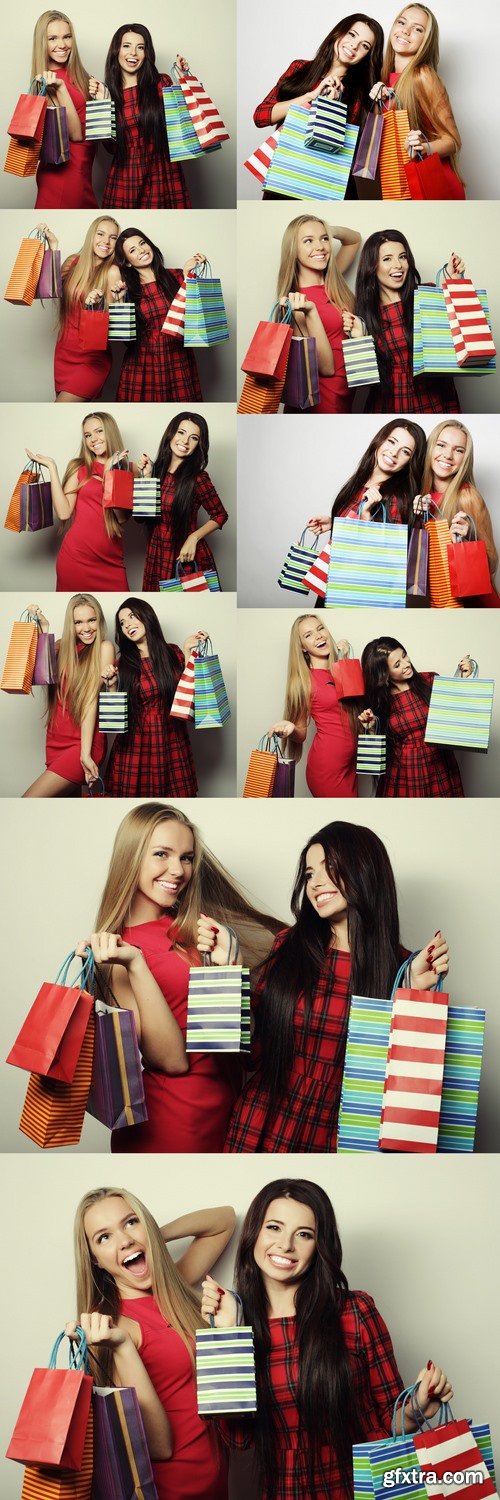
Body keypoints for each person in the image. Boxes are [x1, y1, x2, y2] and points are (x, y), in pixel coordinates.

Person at [201, 1178, 453, 1500]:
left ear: (320, 1245)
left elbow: (388, 1420)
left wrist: (414, 1407)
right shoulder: (235, 1320)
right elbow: (238, 1441)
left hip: (363, 1488)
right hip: (283, 1492)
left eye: (304, 1234)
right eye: (274, 1228)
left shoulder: (355, 1310)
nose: (286, 1245)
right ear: (254, 1234)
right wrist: (228, 1333)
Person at [225, 821, 449, 1152]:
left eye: (328, 868)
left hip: (349, 1133)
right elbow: (251, 1055)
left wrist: (416, 993)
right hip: (263, 1120)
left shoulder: (403, 968)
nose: (315, 883)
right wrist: (226, 970)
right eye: (309, 874)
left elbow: (406, 1081)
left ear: (364, 871)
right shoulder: (289, 945)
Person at [77, 802, 282, 1151]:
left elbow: (236, 1044)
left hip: (227, 1111)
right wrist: (137, 965)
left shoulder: (195, 928)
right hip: (173, 1122)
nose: (177, 870)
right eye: (162, 854)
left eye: (186, 858)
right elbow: (170, 1061)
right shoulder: (117, 950)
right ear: (132, 857)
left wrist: (229, 968)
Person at [68, 1187, 235, 1499]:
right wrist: (121, 1346)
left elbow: (224, 1219)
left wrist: (155, 1236)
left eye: (131, 1223)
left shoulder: (175, 1290)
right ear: (95, 1260)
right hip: (172, 1489)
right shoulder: (113, 1327)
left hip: (216, 1482)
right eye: (104, 1237)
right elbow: (158, 1446)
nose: (125, 1240)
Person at [253, 15, 384, 200]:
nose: (354, 46)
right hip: (285, 176)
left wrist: (334, 104)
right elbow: (261, 116)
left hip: (328, 186)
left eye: (365, 45)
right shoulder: (300, 67)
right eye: (352, 35)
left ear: (368, 55)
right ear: (338, 33)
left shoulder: (363, 91)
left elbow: (364, 153)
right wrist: (311, 96)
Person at [344, 229, 464, 413]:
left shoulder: (427, 295)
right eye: (387, 259)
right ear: (372, 266)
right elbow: (365, 382)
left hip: (435, 398)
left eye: (402, 257)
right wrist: (359, 338)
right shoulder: (365, 316)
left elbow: (454, 342)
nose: (398, 265)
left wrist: (453, 285)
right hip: (390, 402)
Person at [103, 598, 205, 796]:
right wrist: (113, 685)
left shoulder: (173, 652)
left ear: (146, 616)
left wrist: (188, 651)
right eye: (122, 623)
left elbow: (188, 695)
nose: (127, 625)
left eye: (132, 616)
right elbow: (115, 719)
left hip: (172, 742)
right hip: (135, 746)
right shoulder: (122, 663)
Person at [26, 412, 132, 592]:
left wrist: (109, 473)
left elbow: (121, 517)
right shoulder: (79, 467)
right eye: (88, 435)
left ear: (110, 432)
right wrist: (52, 467)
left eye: (99, 431)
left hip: (111, 561)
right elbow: (64, 512)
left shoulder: (129, 469)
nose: (93, 439)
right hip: (76, 559)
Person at [22, 594, 114, 797]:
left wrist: (84, 753)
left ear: (100, 620)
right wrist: (43, 629)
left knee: (28, 800)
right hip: (55, 738)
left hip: (82, 743)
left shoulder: (104, 648)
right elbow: (40, 674)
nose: (87, 628)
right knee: (64, 804)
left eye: (92, 620)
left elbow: (91, 700)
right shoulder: (63, 647)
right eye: (78, 622)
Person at [88, 28, 190, 209]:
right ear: (116, 51)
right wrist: (103, 104)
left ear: (146, 53)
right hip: (126, 176)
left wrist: (185, 80)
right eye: (126, 46)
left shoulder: (161, 82)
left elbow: (184, 124)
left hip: (163, 173)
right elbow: (111, 149)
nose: (133, 53)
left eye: (140, 47)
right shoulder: (107, 92)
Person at [359, 636, 474, 796]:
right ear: (384, 674)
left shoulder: (430, 680)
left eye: (404, 655)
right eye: (397, 664)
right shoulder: (380, 703)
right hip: (404, 773)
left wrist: (464, 680)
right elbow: (374, 760)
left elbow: (454, 714)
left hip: (441, 766)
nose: (406, 664)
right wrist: (371, 730)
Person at [308, 421, 426, 572]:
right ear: (380, 440)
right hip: (335, 579)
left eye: (406, 451)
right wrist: (336, 523)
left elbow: (387, 559)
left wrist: (366, 517)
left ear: (411, 462)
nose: (394, 452)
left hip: (354, 588)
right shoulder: (360, 481)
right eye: (391, 442)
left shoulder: (397, 499)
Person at [376, 6, 465, 198]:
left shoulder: (423, 76)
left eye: (418, 29)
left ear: (426, 41)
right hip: (398, 186)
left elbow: (453, 141)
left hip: (429, 184)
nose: (406, 31)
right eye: (402, 22)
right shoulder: (384, 80)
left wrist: (424, 148)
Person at [276, 217, 360, 414]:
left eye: (324, 239)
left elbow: (354, 239)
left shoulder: (333, 279)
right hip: (323, 398)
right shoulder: (295, 302)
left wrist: (329, 230)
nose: (320, 247)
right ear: (293, 251)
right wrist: (311, 312)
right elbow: (326, 368)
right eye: (308, 241)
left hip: (346, 390)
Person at [268, 616, 358, 797]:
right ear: (302, 647)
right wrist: (292, 729)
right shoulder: (304, 681)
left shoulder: (341, 669)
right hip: (327, 769)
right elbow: (301, 734)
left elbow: (354, 703)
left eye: (320, 629)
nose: (318, 636)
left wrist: (345, 660)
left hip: (351, 766)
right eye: (308, 635)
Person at [111, 229, 204, 402]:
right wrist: (121, 302)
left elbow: (195, 320)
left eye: (142, 243)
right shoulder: (126, 289)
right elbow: (126, 341)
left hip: (178, 358)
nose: (141, 251)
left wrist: (188, 276)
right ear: (128, 262)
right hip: (143, 363)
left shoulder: (176, 275)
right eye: (132, 251)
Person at [140, 412, 228, 591]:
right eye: (181, 433)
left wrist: (193, 537)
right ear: (171, 434)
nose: (185, 441)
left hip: (186, 554)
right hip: (156, 553)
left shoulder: (198, 478)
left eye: (193, 437)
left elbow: (220, 515)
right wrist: (147, 477)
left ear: (199, 445)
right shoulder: (155, 471)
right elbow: (143, 518)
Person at [35, 216, 120, 401]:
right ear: (92, 236)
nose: (106, 241)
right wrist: (53, 247)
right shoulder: (73, 262)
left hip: (92, 358)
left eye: (113, 237)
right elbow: (48, 291)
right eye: (101, 234)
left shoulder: (112, 271)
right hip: (64, 352)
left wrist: (96, 305)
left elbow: (115, 320)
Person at [415, 421, 499, 605]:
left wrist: (469, 538)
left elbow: (493, 562)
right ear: (430, 448)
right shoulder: (419, 497)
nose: (448, 455)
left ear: (465, 459)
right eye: (441, 445)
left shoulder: (468, 496)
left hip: (475, 606)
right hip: (439, 602)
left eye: (458, 450)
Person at [31, 9, 97, 208]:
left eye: (67, 37)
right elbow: (76, 134)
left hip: (82, 170)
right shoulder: (47, 81)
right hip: (64, 176)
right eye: (52, 38)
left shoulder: (78, 75)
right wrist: (60, 89)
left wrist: (100, 94)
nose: (62, 45)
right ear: (42, 42)